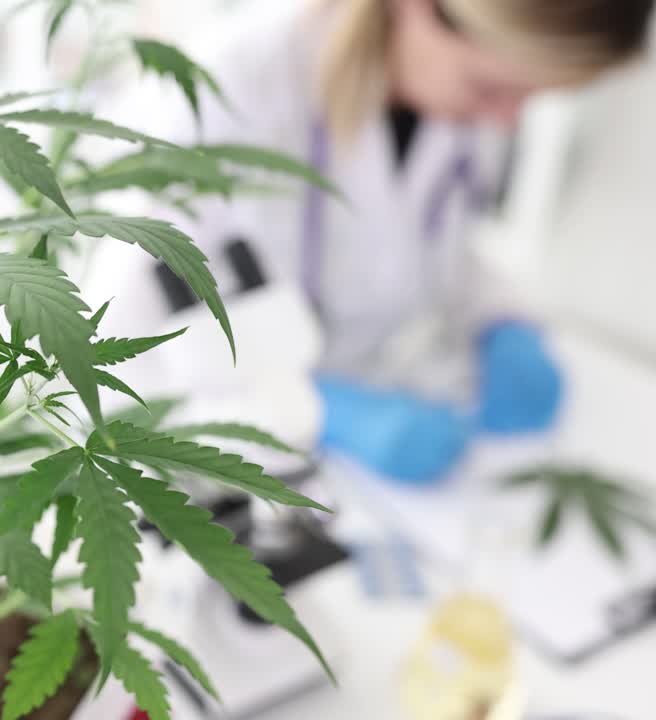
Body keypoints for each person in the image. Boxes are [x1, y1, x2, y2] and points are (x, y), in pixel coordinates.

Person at [92, 0, 653, 483]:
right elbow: (130, 353)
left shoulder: (459, 102)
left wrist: (502, 322)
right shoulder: (223, 91)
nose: (506, 121)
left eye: (530, 97)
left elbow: (440, 239)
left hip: (373, 435)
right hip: (227, 455)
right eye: (493, 88)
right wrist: (315, 409)